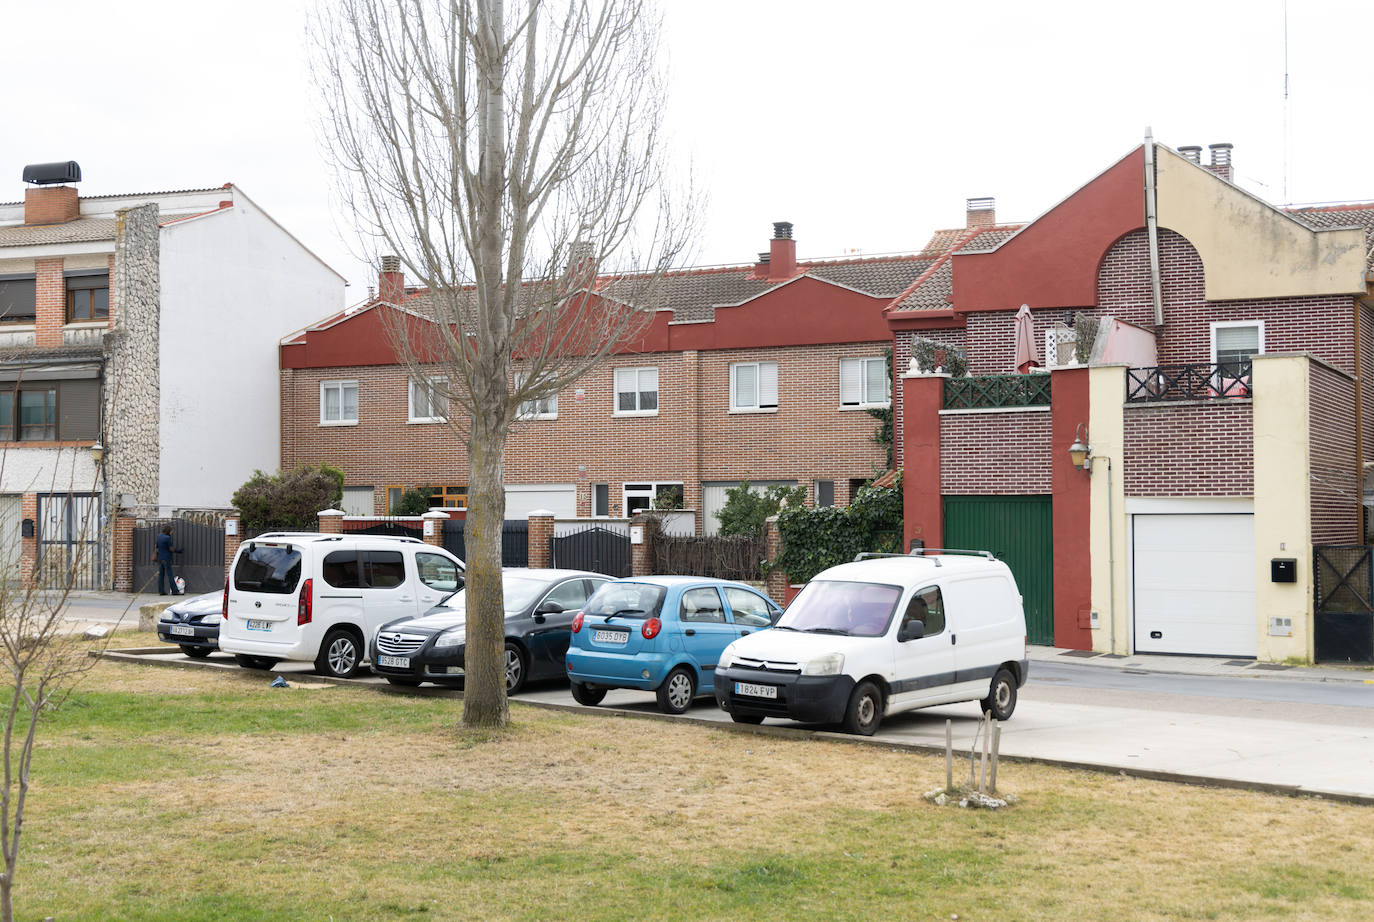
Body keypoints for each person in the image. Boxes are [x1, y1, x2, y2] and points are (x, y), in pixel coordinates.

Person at [155, 524, 182, 595]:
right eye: (171, 531)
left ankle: (161, 591)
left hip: (160, 558)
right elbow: (171, 549)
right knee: (170, 575)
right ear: (168, 531)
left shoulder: (159, 536)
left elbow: (156, 547)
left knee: (161, 575)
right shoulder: (167, 538)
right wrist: (179, 551)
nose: (172, 533)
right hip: (166, 559)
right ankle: (175, 591)